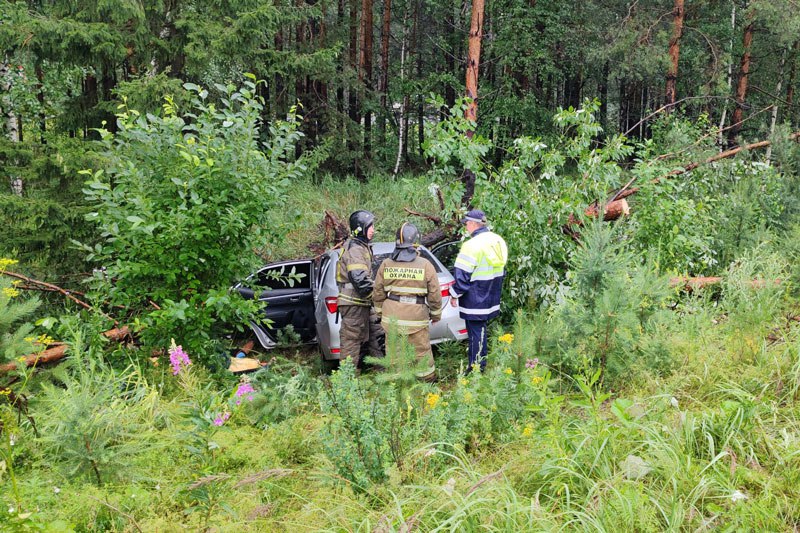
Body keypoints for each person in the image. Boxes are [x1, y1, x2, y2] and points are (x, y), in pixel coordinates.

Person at [373, 222, 442, 381]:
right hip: (416, 318)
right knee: (422, 352)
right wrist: (435, 315)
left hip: (392, 318)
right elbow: (434, 294)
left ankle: (396, 387)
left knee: (395, 354)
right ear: (416, 244)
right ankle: (427, 383)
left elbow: (377, 291)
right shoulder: (425, 265)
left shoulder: (386, 264)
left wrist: (379, 312)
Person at [449, 209, 508, 373]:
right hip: (492, 294)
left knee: (475, 332)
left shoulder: (471, 245)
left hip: (475, 295)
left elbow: (462, 277)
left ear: (474, 224)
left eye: (467, 223)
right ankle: (480, 364)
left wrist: (454, 294)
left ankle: (475, 368)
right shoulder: (497, 240)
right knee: (480, 329)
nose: (466, 227)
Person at [337, 210, 381, 368]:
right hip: (354, 304)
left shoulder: (361, 247)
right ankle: (347, 384)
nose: (373, 229)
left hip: (362, 303)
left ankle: (382, 375)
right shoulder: (355, 249)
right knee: (351, 343)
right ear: (361, 228)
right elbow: (360, 281)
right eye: (370, 226)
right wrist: (379, 297)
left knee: (377, 335)